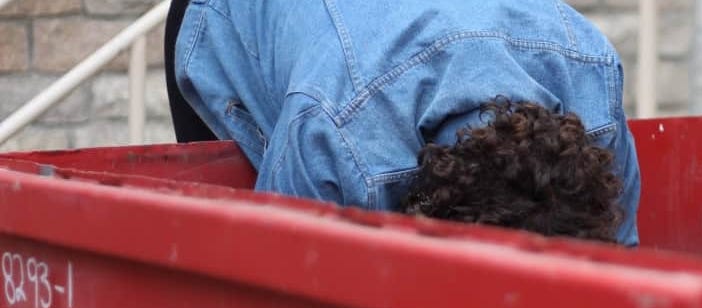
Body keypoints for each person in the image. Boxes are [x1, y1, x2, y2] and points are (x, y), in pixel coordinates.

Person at [165, 0, 640, 245]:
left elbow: (617, 273)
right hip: (228, 15)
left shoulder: (593, 87)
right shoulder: (333, 135)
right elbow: (281, 303)